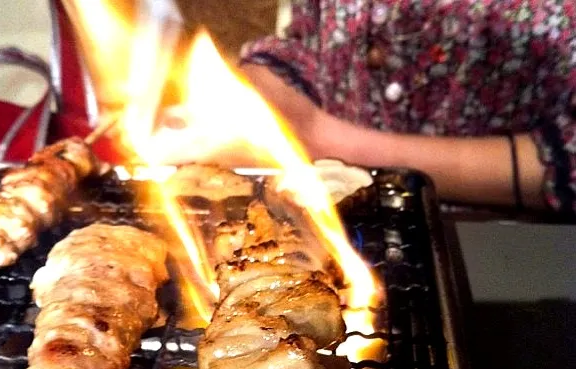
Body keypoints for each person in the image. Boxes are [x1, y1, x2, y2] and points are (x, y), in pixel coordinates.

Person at [235, 0, 575, 213]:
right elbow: (310, 40)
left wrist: (332, 142)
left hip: (498, 244)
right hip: (343, 214)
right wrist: (267, 79)